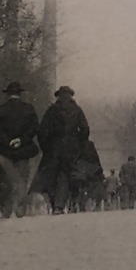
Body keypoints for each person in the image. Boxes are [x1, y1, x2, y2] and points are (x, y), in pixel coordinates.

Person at [33, 85, 90, 214]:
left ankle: (56, 205)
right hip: (72, 149)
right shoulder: (77, 110)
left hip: (54, 149)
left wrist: (46, 147)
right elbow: (85, 129)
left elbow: (42, 131)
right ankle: (66, 203)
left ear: (58, 96)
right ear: (71, 96)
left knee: (52, 176)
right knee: (68, 175)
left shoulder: (52, 110)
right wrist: (80, 144)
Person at [0, 81, 39, 218]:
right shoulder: (29, 109)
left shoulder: (0, 109)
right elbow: (34, 128)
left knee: (4, 180)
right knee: (22, 179)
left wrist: (7, 141)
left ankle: (6, 209)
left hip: (4, 150)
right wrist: (21, 140)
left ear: (8, 94)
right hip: (23, 150)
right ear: (20, 94)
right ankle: (20, 209)